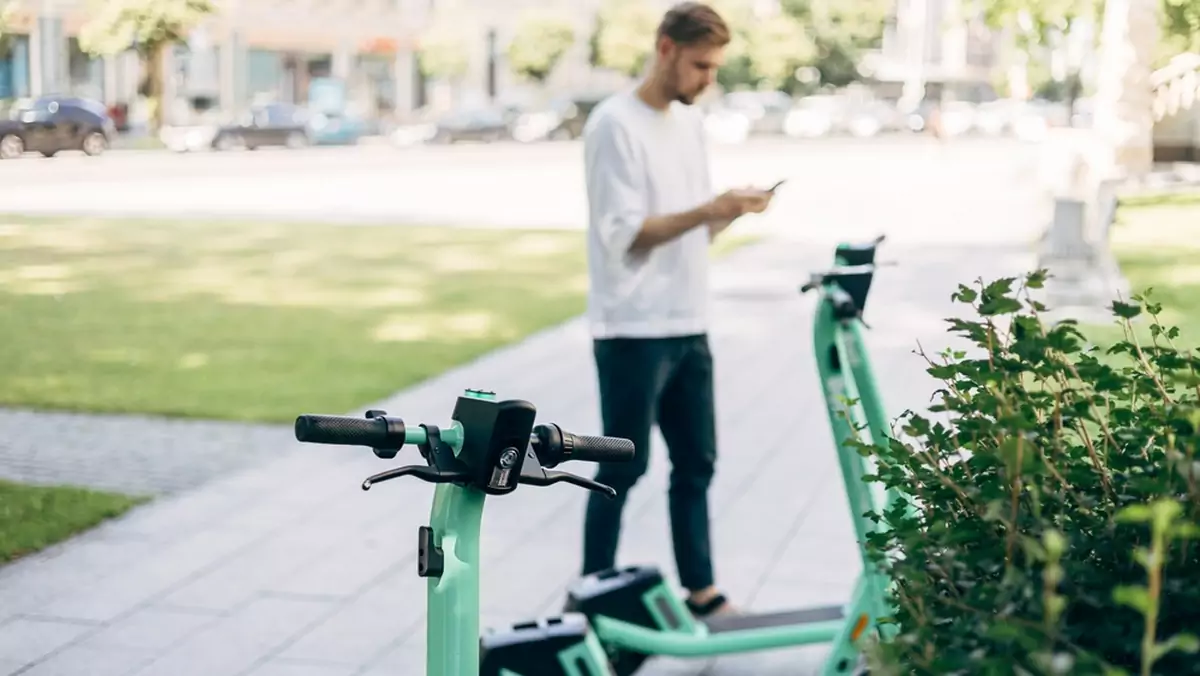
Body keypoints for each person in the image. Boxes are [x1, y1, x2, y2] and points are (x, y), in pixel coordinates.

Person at [578, 1, 776, 618]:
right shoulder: (613, 124)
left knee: (697, 463)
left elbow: (692, 225)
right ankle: (592, 595)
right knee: (619, 468)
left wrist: (726, 210)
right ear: (665, 48)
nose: (708, 80)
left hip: (690, 319)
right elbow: (627, 235)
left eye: (715, 68)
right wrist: (710, 207)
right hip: (632, 326)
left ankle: (702, 590)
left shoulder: (690, 123)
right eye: (700, 66)